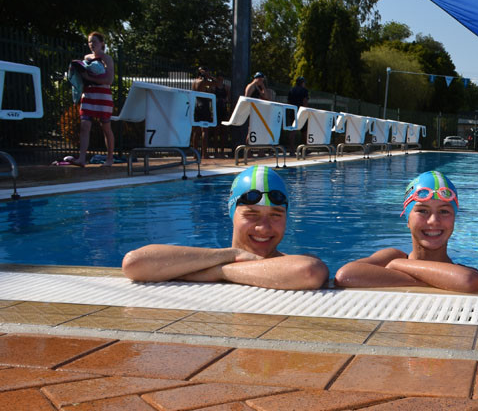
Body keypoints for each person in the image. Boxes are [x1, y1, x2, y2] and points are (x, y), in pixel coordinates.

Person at [121, 166, 329, 290]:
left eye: (275, 215)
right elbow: (134, 263)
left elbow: (310, 272)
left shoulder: (297, 263)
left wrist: (221, 272)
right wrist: (233, 254)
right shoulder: (198, 260)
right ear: (232, 214)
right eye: (251, 214)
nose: (263, 228)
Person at [334, 170, 478, 292]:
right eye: (422, 211)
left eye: (444, 211)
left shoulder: (395, 262)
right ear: (407, 219)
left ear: (454, 219)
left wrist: (398, 265)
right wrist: (429, 281)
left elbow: (469, 281)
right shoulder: (392, 256)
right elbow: (345, 275)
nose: (433, 220)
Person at [58, 32, 115, 167]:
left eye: (94, 41)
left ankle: (110, 158)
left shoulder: (107, 59)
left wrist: (89, 78)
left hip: (103, 96)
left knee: (106, 127)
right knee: (84, 126)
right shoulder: (86, 58)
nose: (92, 44)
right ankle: (82, 158)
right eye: (90, 42)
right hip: (88, 95)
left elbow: (109, 80)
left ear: (102, 43)